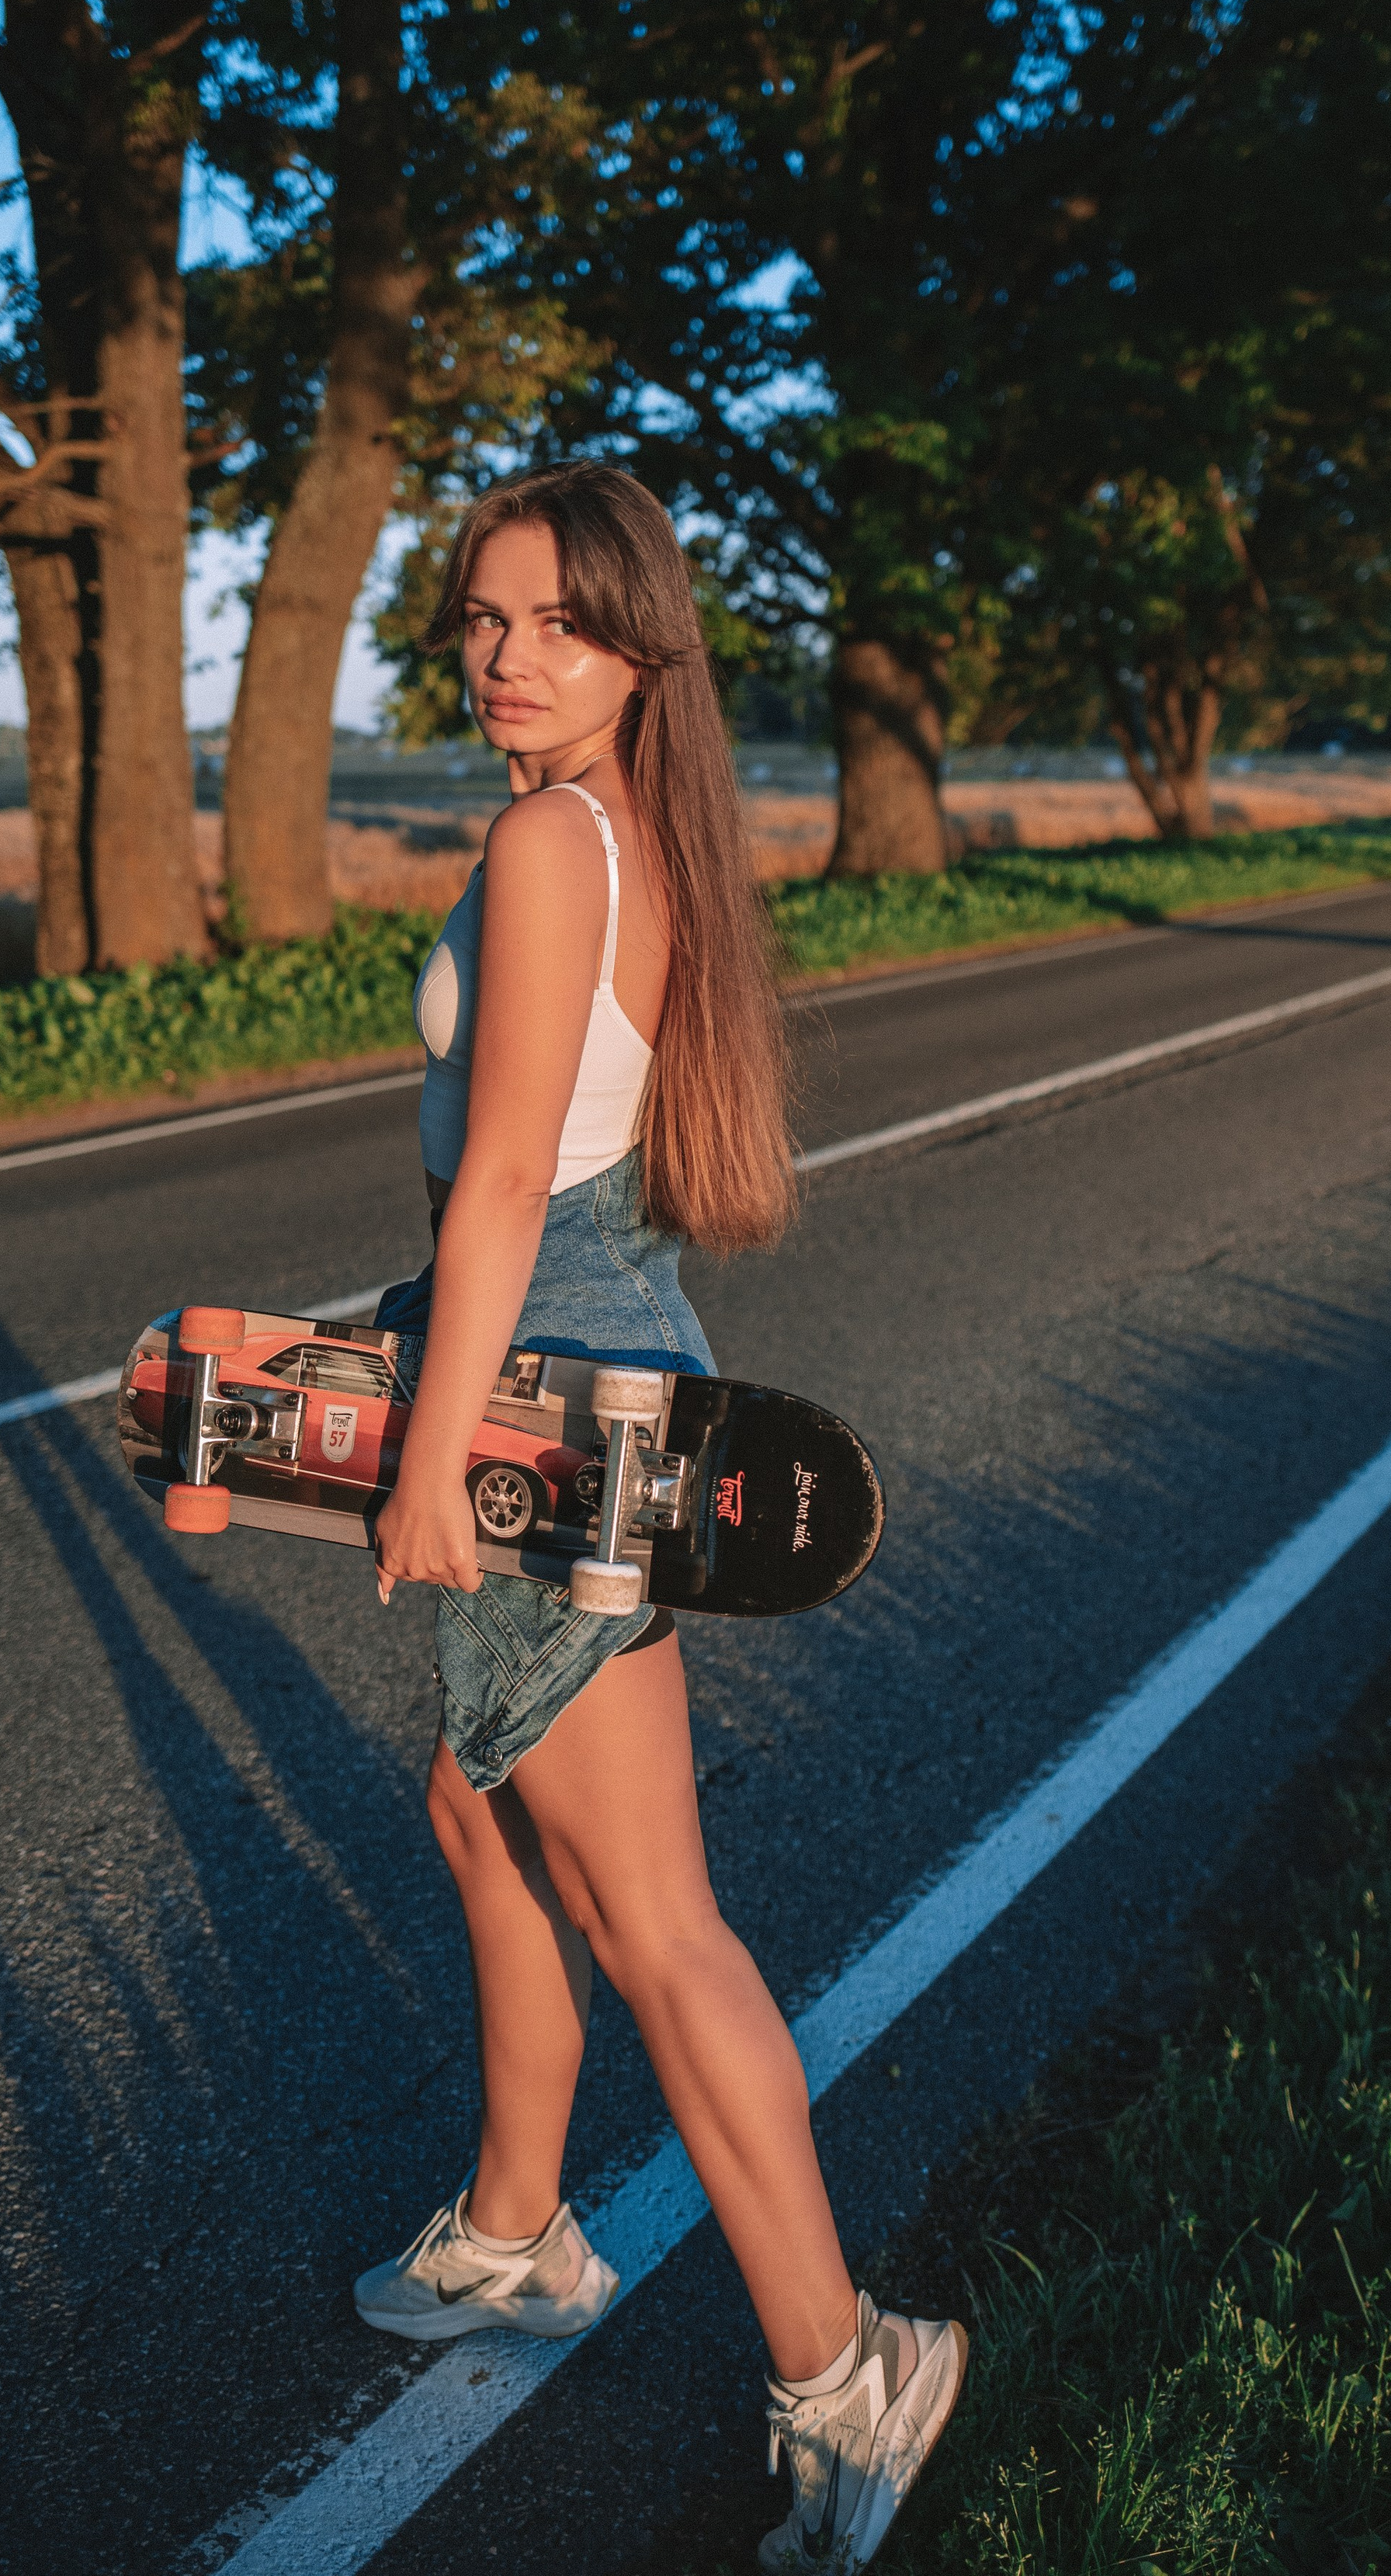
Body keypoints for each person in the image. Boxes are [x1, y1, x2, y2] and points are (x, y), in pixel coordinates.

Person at [352, 464, 966, 2567]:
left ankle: (846, 2361)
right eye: (482, 620)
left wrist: (434, 1462)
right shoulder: (634, 834)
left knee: (655, 1921)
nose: (505, 658)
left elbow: (509, 1185)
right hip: (596, 1338)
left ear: (636, 648)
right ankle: (520, 2226)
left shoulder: (549, 839)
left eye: (552, 622)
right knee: (476, 1802)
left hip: (547, 1371)